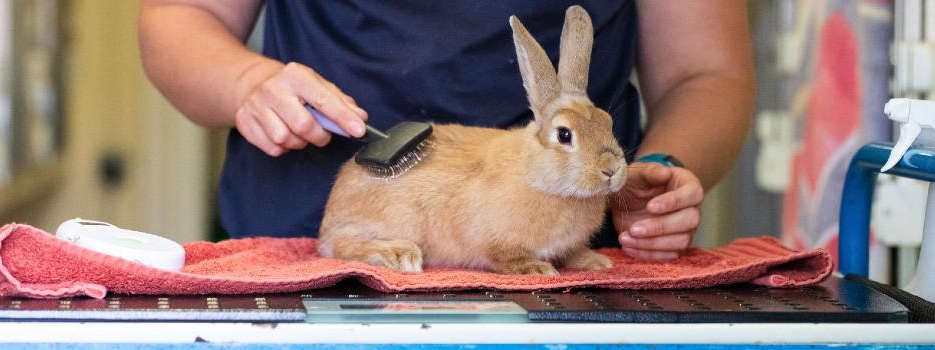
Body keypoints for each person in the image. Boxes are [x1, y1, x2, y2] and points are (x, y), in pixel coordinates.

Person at [138, 1, 754, 260]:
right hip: (312, 261)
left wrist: (658, 175)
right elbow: (181, 16)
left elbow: (706, 72)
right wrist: (246, 82)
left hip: (559, 273)